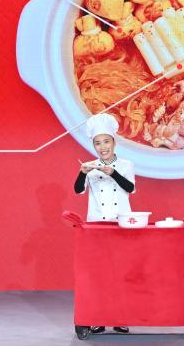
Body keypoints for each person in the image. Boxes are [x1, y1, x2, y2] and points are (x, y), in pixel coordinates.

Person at [73, 113, 135, 335]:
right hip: (97, 225)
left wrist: (113, 173)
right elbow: (78, 190)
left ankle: (120, 318)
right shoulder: (90, 167)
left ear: (114, 142)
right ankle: (98, 318)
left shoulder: (126, 165)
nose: (103, 147)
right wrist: (82, 173)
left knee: (121, 272)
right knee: (99, 274)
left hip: (121, 224)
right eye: (98, 143)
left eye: (106, 141)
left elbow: (130, 188)